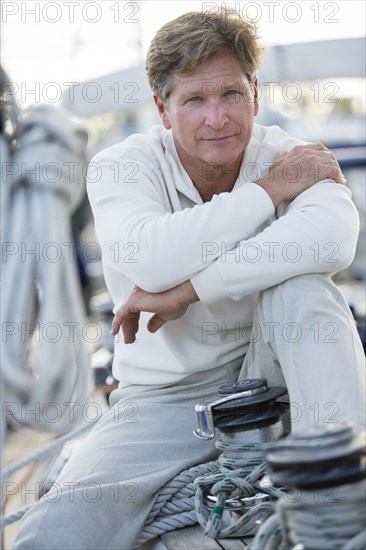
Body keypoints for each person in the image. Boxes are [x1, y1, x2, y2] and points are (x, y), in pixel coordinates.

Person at [14, 8, 365, 549]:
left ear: (255, 92)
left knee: (304, 289)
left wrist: (189, 291)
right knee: (51, 532)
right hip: (168, 397)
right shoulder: (121, 167)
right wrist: (267, 193)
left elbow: (332, 239)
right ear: (162, 108)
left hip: (279, 371)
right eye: (195, 100)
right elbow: (151, 260)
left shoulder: (288, 156)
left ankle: (339, 500)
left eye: (229, 94)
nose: (218, 118)